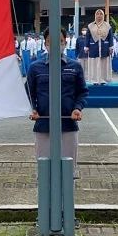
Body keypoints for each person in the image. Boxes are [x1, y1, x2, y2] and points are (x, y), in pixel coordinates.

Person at [27, 27, 89, 166]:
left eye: (60, 41)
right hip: (43, 125)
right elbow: (29, 93)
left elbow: (82, 92)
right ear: (45, 44)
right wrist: (33, 109)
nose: (56, 45)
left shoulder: (75, 67)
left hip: (68, 124)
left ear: (65, 43)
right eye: (51, 42)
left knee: (68, 169)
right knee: (44, 169)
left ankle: (67, 188)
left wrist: (77, 108)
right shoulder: (35, 68)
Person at [84, 10, 114, 84]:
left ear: (103, 15)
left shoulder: (107, 25)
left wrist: (111, 47)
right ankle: (94, 80)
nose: (99, 16)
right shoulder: (90, 26)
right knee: (94, 63)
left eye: (101, 14)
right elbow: (87, 37)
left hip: (104, 47)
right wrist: (86, 47)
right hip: (94, 47)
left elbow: (110, 37)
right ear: (95, 15)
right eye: (97, 14)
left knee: (104, 64)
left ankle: (103, 79)